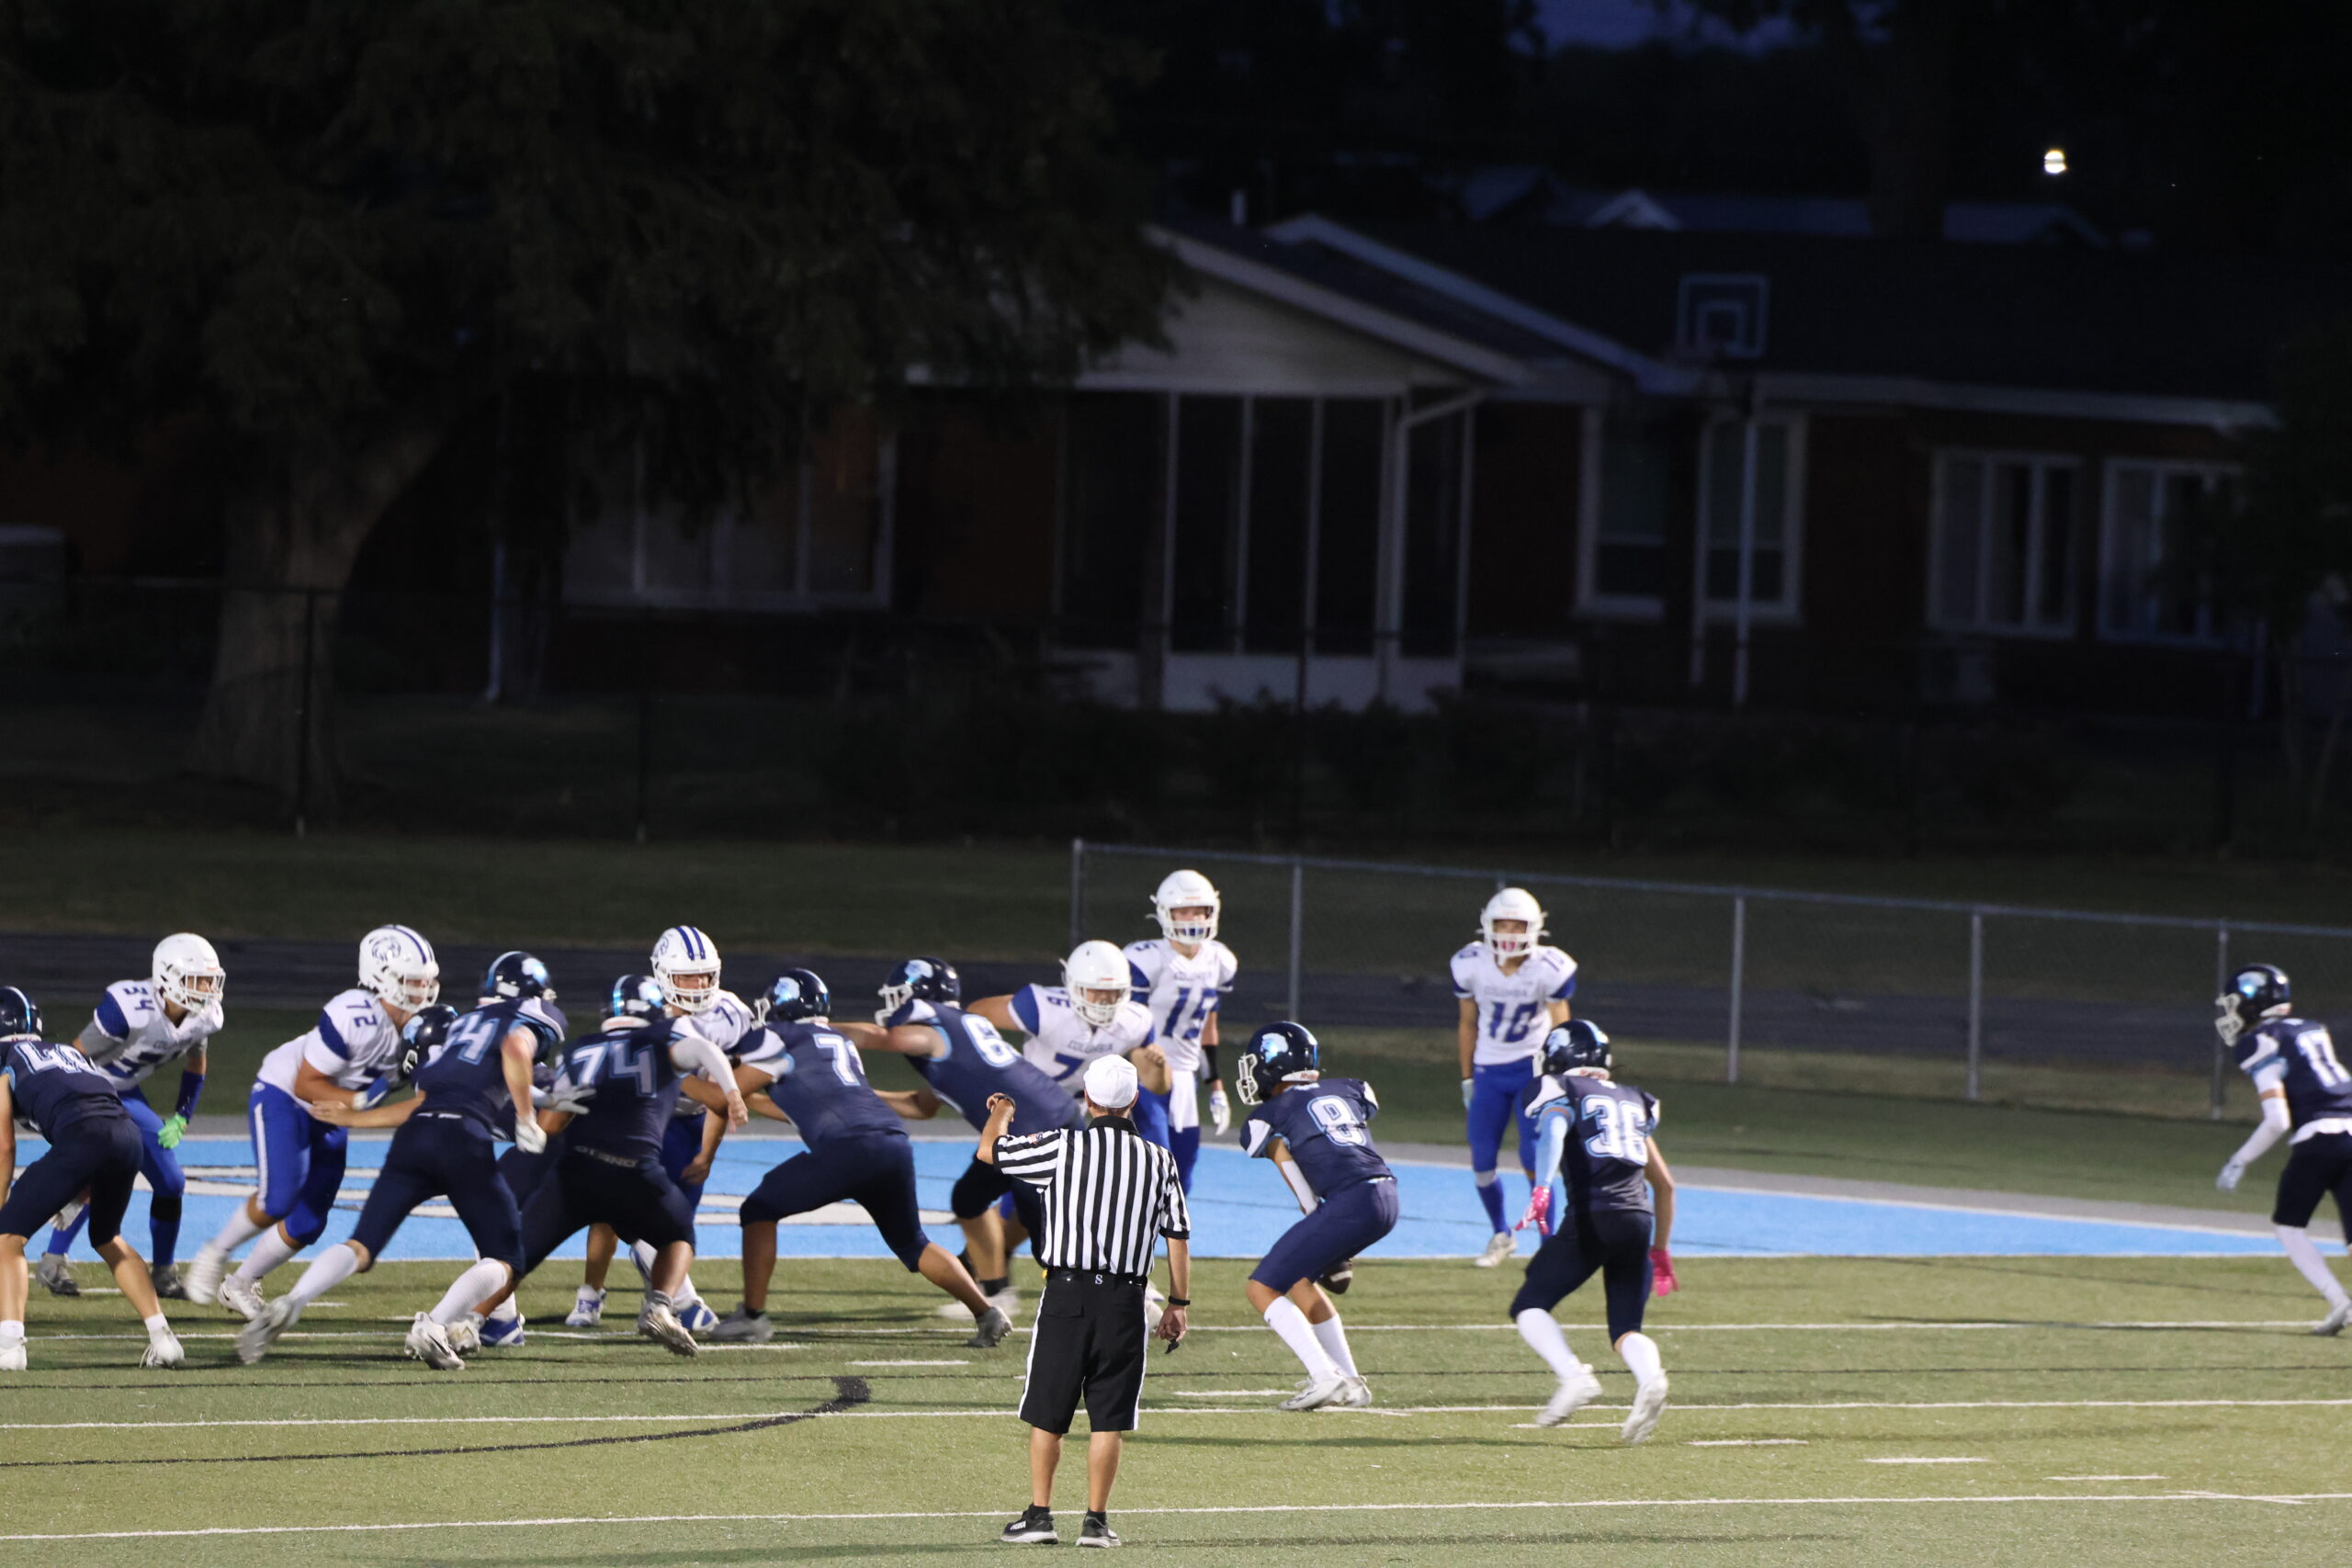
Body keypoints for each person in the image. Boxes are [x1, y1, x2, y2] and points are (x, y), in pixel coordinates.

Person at [236, 955, 568, 1366]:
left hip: (416, 1138)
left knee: (361, 1246)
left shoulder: (460, 1029)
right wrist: (528, 1116)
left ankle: (295, 1299)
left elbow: (421, 1102)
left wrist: (353, 1118)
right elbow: (517, 1051)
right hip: (465, 1139)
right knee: (506, 1257)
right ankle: (437, 1324)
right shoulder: (531, 1016)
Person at [710, 970, 1011, 1347]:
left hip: (848, 1147)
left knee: (757, 1209)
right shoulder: (837, 1040)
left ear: (780, 1008)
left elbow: (724, 1092)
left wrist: (692, 1077)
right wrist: (750, 1101)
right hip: (891, 1142)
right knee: (913, 1242)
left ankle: (752, 1317)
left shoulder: (778, 1036)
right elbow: (801, 1106)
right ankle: (987, 1312)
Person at [464, 973, 748, 1359]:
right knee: (668, 1230)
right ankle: (669, 1304)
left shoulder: (577, 1049)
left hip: (571, 1162)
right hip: (626, 1163)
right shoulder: (658, 1043)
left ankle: (479, 1321)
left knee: (509, 1243)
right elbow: (703, 1055)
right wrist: (730, 1091)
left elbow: (550, 1122)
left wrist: (533, 1132)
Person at [985, 1055, 1190, 1551]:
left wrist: (1002, 1112)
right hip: (1126, 1300)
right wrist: (1178, 1303)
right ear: (1134, 1100)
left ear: (1088, 1098)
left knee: (1048, 1413)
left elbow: (990, 1151)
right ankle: (1096, 1522)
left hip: (1067, 1293)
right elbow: (1177, 1236)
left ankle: (1039, 1515)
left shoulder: (1062, 1147)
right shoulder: (1160, 1159)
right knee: (1109, 1418)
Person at [184, 925, 440, 1315]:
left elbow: (427, 1095)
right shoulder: (353, 1015)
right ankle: (215, 1251)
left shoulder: (428, 1027)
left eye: (426, 981)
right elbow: (306, 1084)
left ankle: (239, 1284)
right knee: (278, 1199)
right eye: (412, 981)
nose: (422, 990)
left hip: (336, 1111)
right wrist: (359, 1103)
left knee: (308, 1222)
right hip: (286, 1095)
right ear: (380, 977)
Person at [837, 956, 1082, 1326]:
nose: (893, 1005)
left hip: (1039, 1134)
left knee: (1052, 1240)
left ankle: (1130, 1301)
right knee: (969, 1198)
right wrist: (859, 1093)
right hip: (1026, 1128)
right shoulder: (960, 1029)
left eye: (899, 995)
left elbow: (882, 1037)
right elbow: (922, 1106)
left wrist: (813, 1030)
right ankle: (995, 1291)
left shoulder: (933, 1030)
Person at [569, 926, 747, 1333]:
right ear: (663, 975)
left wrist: (707, 1152)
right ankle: (596, 1293)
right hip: (646, 1115)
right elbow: (712, 1091)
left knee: (677, 1223)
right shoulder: (648, 1012)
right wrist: (726, 1095)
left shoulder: (732, 1012)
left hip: (693, 1122)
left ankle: (659, 1293)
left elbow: (725, 1092)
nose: (698, 985)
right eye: (687, 976)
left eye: (705, 975)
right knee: (612, 1211)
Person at [0, 987, 184, 1371]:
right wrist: (79, 1188)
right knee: (107, 1237)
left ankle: (10, 1347)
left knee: (7, 1239)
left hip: (85, 1137)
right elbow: (95, 1111)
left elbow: (4, 1146)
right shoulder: (67, 1053)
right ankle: (164, 1338)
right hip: (127, 1136)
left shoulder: (6, 1061)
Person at [1509, 1020, 1676, 1443]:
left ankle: (1573, 1376)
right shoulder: (1636, 1099)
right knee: (1626, 1328)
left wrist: (1542, 1188)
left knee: (1530, 1303)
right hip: (1638, 1220)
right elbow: (1665, 1185)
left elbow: (1555, 1127)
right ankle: (1651, 1377)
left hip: (1594, 1215)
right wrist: (1660, 1250)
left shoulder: (1561, 1089)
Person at [37, 933, 226, 1300]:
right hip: (90, 1090)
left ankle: (164, 1272)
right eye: (197, 980)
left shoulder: (205, 1017)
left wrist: (182, 1116)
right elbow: (72, 1057)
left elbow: (196, 1063)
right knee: (101, 1174)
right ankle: (53, 1262)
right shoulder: (129, 1008)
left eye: (210, 980)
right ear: (168, 976)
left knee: (171, 1182)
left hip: (127, 1094)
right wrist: (68, 1112)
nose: (207, 989)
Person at [1232, 1021, 1393, 1411]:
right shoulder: (1351, 1088)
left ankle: (1324, 1377)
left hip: (1350, 1202)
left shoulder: (1266, 1116)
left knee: (1261, 1288)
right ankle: (1351, 1383)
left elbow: (1294, 1175)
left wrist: (1317, 1219)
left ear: (1271, 1066)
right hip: (1387, 1194)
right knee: (1299, 1279)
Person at [2215, 964, 2352, 1336]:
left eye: (2234, 1004)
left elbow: (2277, 1120)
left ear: (2252, 1004)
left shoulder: (2261, 1042)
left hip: (2319, 1138)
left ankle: (2339, 1301)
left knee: (2289, 1226)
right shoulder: (2310, 1028)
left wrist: (2239, 1160)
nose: (2231, 1013)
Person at [1452, 887, 1577, 1266]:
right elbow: (1467, 1023)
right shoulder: (1471, 962)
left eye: (1516, 925)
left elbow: (1561, 1028)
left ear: (1533, 928)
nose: (1508, 932)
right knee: (1482, 1158)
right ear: (1487, 925)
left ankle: (1549, 1243)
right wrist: (1468, 1077)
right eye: (1502, 924)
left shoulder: (1549, 966)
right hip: (1489, 1070)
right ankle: (1501, 1234)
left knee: (1534, 1157)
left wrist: (1561, 1080)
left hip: (1531, 1070)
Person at [973, 942, 1170, 1149]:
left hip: (1073, 1114)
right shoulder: (1043, 1007)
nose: (1105, 1000)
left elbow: (1159, 1086)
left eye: (1113, 991)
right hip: (1027, 1106)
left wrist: (1158, 1067)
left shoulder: (1136, 1021)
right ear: (1074, 986)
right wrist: (997, 1060)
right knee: (1002, 1163)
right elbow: (977, 1013)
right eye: (1096, 990)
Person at [1125, 870, 1238, 1192]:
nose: (1193, 918)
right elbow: (1124, 1024)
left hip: (1186, 1075)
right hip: (1145, 1072)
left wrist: (1215, 1086)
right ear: (1166, 913)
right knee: (1155, 1163)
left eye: (1199, 910)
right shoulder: (1145, 958)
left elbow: (1208, 1028)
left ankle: (1170, 1225)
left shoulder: (1220, 960)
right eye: (1183, 911)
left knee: (1183, 1174)